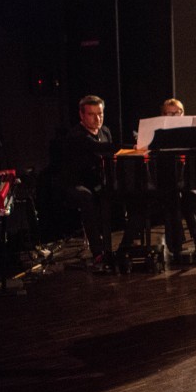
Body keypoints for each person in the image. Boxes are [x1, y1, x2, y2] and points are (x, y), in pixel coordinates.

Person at [60, 95, 120, 267]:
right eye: (92, 114)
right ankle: (98, 251)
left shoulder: (105, 131)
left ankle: (127, 243)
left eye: (100, 114)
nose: (97, 118)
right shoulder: (76, 135)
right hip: (76, 183)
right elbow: (99, 148)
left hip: (97, 181)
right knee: (86, 198)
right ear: (82, 115)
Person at [158, 98, 196, 260]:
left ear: (183, 114)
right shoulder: (158, 134)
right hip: (165, 180)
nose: (173, 117)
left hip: (187, 178)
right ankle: (176, 244)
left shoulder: (191, 133)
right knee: (172, 198)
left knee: (191, 196)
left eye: (176, 113)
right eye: (169, 113)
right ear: (163, 115)